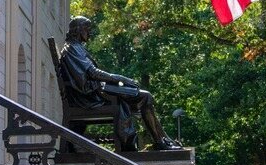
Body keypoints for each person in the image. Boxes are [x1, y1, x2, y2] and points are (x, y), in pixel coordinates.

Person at [57, 16, 180, 151]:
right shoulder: (73, 48)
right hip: (89, 98)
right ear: (78, 30)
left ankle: (162, 140)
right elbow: (93, 73)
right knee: (145, 97)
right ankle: (160, 142)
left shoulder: (76, 47)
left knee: (144, 97)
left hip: (93, 94)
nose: (90, 33)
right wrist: (121, 79)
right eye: (87, 29)